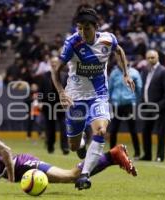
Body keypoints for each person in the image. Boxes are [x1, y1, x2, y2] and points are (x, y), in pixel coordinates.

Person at [51, 8, 135, 189]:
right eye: (79, 28)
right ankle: (81, 143)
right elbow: (56, 70)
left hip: (98, 95)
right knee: (73, 146)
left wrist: (125, 74)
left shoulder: (108, 39)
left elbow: (119, 51)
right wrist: (61, 92)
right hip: (75, 98)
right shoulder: (72, 43)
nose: (82, 32)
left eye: (86, 28)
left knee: (100, 131)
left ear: (96, 27)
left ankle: (85, 174)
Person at [0, 119, 137, 184]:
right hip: (18, 169)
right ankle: (112, 157)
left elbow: (5, 150)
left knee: (70, 176)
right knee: (72, 177)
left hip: (21, 165)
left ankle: (113, 154)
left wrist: (11, 177)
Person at [140, 50, 165, 162]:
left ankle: (160, 156)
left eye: (152, 57)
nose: (150, 60)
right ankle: (147, 155)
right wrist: (143, 101)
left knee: (160, 132)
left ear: (157, 57)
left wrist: (161, 104)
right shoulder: (145, 70)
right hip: (148, 107)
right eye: (148, 58)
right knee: (145, 132)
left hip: (159, 107)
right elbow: (144, 87)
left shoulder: (163, 71)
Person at [108, 65, 142, 159]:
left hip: (129, 104)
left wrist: (135, 100)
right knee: (113, 129)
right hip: (116, 104)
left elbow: (139, 88)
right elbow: (110, 88)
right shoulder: (114, 73)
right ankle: (112, 153)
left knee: (133, 129)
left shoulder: (134, 72)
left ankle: (137, 153)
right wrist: (110, 100)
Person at [38, 57, 69, 154]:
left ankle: (65, 148)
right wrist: (40, 101)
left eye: (56, 62)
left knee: (64, 127)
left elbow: (69, 89)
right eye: (52, 62)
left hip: (61, 105)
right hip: (48, 105)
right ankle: (50, 146)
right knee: (50, 128)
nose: (54, 64)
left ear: (59, 63)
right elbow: (40, 90)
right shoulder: (44, 76)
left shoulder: (65, 76)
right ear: (50, 64)